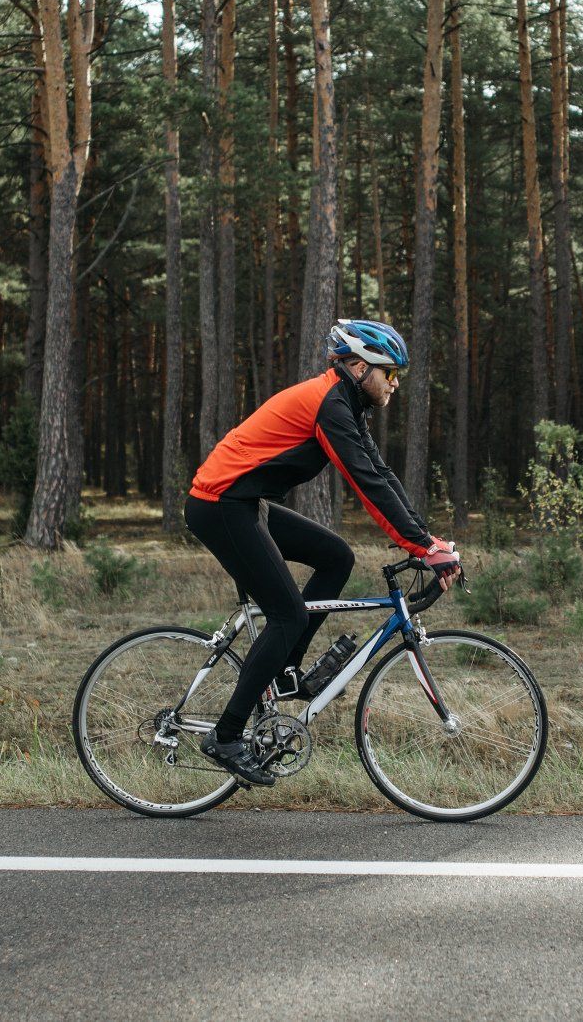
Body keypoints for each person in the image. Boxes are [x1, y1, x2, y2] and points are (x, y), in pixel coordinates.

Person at [184, 318, 462, 787]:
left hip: (244, 502)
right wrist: (420, 546)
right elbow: (364, 482)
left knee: (337, 557)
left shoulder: (345, 404)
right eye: (391, 373)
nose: (395, 384)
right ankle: (226, 736)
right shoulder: (329, 404)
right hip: (219, 504)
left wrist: (426, 541)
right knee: (287, 614)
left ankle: (284, 671)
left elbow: (382, 473)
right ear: (359, 367)